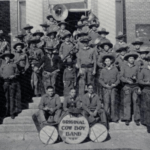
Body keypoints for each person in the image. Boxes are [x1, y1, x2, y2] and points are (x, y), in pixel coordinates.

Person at [120, 52, 141, 126]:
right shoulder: (124, 67)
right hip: (127, 87)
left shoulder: (136, 67)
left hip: (135, 87)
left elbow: (139, 78)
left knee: (136, 103)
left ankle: (137, 119)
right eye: (130, 58)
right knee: (127, 103)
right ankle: (127, 118)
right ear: (127, 59)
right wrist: (126, 80)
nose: (131, 60)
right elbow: (121, 77)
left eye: (132, 58)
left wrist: (138, 84)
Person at [0, 51, 21, 119]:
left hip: (13, 82)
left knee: (12, 97)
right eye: (6, 57)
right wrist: (3, 77)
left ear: (10, 58)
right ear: (4, 58)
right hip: (5, 82)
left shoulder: (14, 64)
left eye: (8, 57)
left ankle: (12, 112)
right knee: (5, 98)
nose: (7, 58)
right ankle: (6, 112)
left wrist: (14, 76)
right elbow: (0, 74)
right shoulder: (2, 66)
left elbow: (17, 73)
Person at [99, 54, 120, 122]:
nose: (107, 62)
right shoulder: (103, 70)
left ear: (111, 61)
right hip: (106, 89)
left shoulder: (115, 69)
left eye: (108, 61)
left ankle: (114, 118)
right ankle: (106, 118)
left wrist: (115, 84)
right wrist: (105, 85)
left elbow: (118, 79)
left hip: (113, 88)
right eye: (106, 61)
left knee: (113, 103)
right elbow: (100, 80)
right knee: (106, 103)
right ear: (104, 62)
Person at [138, 55, 150, 133]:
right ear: (148, 62)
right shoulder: (143, 70)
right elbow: (139, 80)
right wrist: (146, 82)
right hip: (147, 90)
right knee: (148, 108)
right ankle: (148, 125)